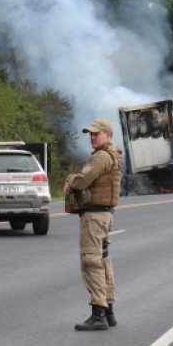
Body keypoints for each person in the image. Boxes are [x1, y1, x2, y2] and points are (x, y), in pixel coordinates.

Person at [64, 119, 123, 331]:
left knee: (91, 261)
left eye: (96, 134)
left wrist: (70, 180)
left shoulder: (101, 157)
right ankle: (109, 310)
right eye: (90, 134)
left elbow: (81, 181)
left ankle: (98, 313)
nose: (91, 137)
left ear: (108, 135)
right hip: (104, 215)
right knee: (104, 260)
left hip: (94, 216)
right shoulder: (113, 155)